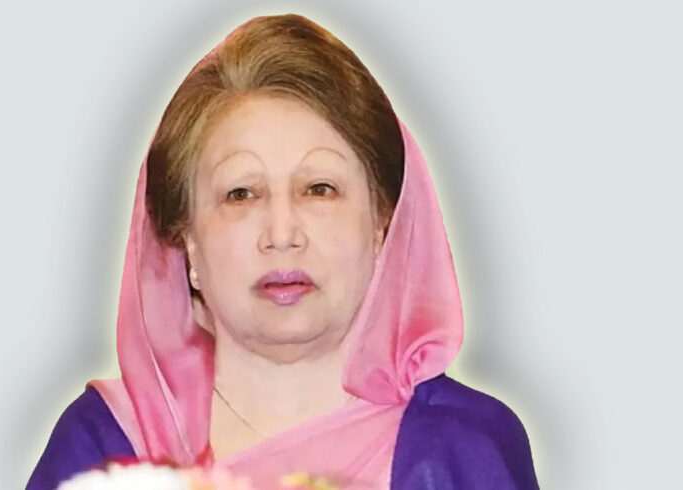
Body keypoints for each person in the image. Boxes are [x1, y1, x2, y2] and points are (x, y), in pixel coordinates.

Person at [28, 13, 539, 490]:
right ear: (186, 239)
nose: (282, 232)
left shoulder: (462, 447)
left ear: (384, 221)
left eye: (319, 189)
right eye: (241, 194)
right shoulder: (103, 445)